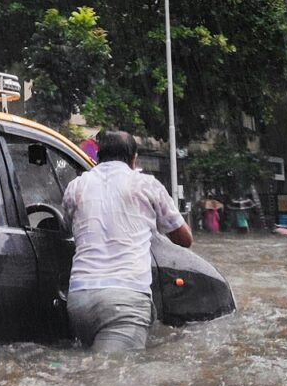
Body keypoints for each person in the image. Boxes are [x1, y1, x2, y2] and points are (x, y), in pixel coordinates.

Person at [62, 130, 193, 353]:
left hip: (79, 299)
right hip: (125, 301)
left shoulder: (76, 187)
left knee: (92, 372)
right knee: (114, 378)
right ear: (134, 159)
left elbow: (68, 227)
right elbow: (184, 239)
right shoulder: (146, 185)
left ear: (98, 157)